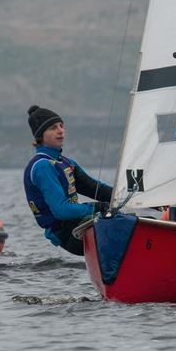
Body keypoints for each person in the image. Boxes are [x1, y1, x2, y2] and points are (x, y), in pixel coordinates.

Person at [22, 105, 113, 256]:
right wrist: (96, 208)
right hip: (68, 233)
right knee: (122, 227)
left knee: (139, 221)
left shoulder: (65, 162)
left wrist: (140, 197)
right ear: (40, 136)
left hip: (80, 224)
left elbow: (96, 189)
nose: (60, 130)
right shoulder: (42, 166)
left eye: (61, 126)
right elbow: (61, 211)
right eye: (53, 127)